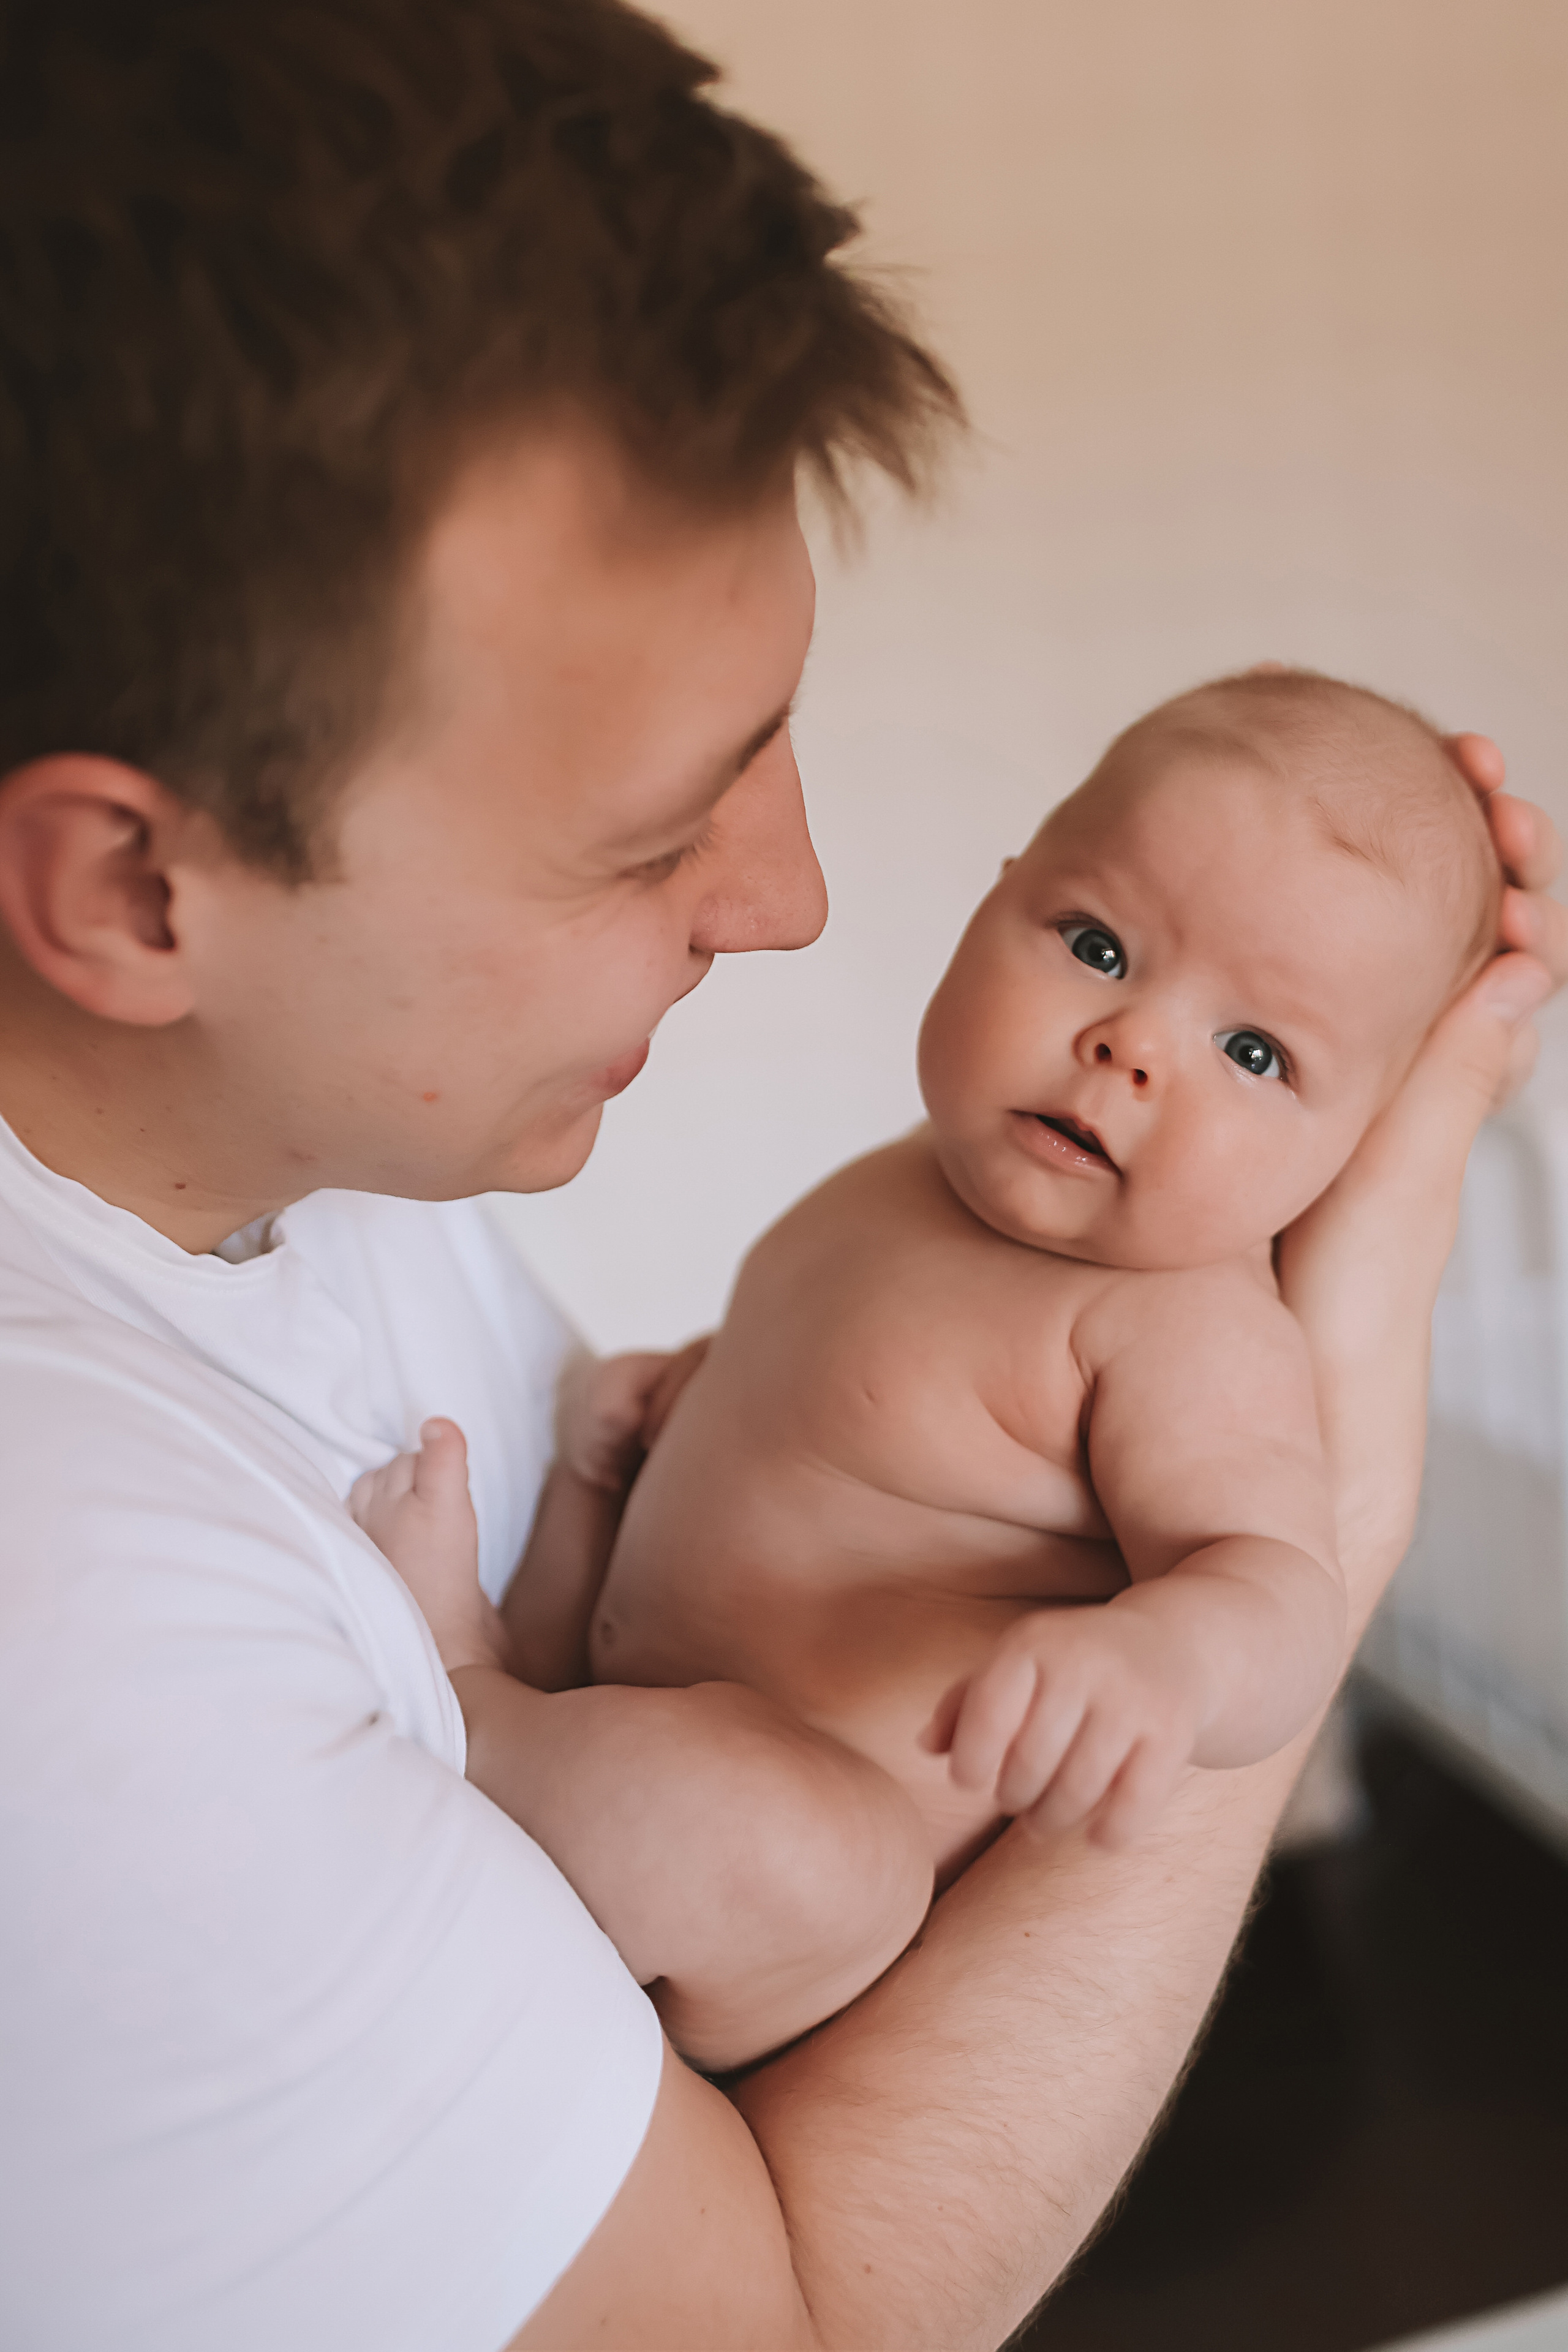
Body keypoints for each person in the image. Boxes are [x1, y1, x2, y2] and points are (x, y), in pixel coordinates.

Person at [0, 3, 1559, 2348]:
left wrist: (1244, 1529)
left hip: (814, 1836)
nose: (796, 898)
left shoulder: (338, 1162)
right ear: (133, 896)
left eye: (1254, 1045)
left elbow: (1171, 1557)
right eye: (653, 829)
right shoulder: (79, 1637)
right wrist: (1352, 1482)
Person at [352, 666, 1504, 2071]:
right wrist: (672, 1399)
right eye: (1093, 944)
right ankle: (532, 1700)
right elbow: (853, 1425)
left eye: (1252, 1050)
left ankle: (471, 1705)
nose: (1128, 1044)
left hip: (806, 1897)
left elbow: (1275, 1584)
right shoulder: (923, 1179)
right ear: (994, 899)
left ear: (1352, 1150)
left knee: (792, 1855)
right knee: (598, 1531)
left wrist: (1167, 1658)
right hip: (639, 1701)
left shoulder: (1181, 1327)